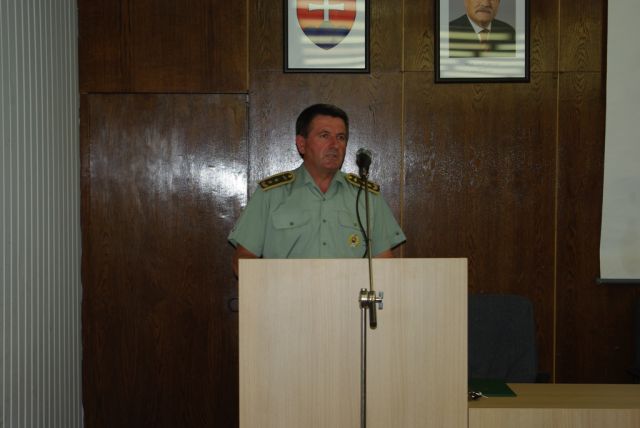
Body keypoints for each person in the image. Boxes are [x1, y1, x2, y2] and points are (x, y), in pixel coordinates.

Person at [228, 104, 406, 276]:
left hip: (350, 296)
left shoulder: (366, 196)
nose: (334, 145)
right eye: (324, 135)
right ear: (301, 144)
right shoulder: (270, 193)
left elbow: (384, 263)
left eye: (341, 137)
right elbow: (243, 260)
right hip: (287, 295)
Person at [448, 0, 516, 57]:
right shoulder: (449, 33)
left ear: (498, 3)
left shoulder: (509, 32)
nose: (485, 4)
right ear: (466, 1)